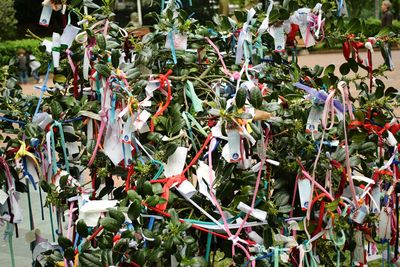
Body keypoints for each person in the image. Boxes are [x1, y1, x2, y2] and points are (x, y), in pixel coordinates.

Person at [381, 0, 394, 70]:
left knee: (386, 50)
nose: (381, 6)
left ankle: (389, 65)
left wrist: (386, 35)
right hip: (383, 34)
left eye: (382, 5)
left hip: (386, 34)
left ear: (386, 6)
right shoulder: (385, 14)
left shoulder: (388, 14)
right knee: (385, 50)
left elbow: (388, 26)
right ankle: (388, 64)